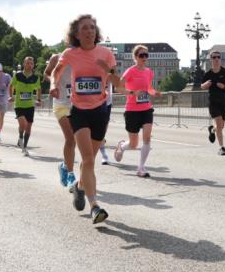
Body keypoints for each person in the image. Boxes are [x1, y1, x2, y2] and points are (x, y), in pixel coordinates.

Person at [49, 14, 117, 224]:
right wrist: (53, 85)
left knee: (90, 160)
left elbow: (118, 83)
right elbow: (55, 73)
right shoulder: (70, 54)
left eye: (92, 27)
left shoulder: (106, 54)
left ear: (96, 32)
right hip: (79, 111)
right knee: (87, 159)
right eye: (84, 28)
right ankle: (94, 206)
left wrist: (108, 71)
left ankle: (79, 187)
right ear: (77, 34)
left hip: (100, 111)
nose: (89, 31)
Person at [114, 45, 161, 177]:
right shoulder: (130, 71)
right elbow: (118, 88)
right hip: (132, 110)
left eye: (146, 55)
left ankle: (141, 168)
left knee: (147, 138)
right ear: (135, 57)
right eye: (141, 55)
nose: (144, 57)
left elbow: (149, 88)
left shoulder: (149, 72)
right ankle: (122, 146)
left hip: (146, 109)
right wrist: (132, 92)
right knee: (134, 144)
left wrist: (154, 92)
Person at [45, 50, 77, 190]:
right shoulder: (57, 57)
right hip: (61, 103)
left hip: (77, 104)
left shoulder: (84, 57)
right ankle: (70, 174)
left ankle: (64, 165)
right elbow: (46, 73)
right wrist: (54, 83)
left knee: (77, 139)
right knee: (70, 138)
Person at [200, 50, 225, 155]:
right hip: (213, 101)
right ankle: (222, 148)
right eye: (214, 57)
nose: (216, 59)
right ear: (211, 59)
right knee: (219, 124)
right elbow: (202, 86)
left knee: (221, 126)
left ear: (220, 59)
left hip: (224, 101)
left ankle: (212, 130)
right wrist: (205, 84)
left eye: (218, 57)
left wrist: (224, 86)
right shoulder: (208, 74)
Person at [12, 56, 42, 155]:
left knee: (28, 126)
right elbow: (11, 86)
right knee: (23, 124)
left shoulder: (35, 77)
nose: (29, 65)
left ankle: (24, 147)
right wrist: (11, 96)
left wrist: (38, 99)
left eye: (31, 63)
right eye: (27, 63)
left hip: (30, 105)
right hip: (19, 104)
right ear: (24, 64)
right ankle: (20, 136)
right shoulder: (17, 75)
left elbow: (39, 89)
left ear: (33, 65)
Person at [0, 63, 12, 144]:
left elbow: (12, 86)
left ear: (2, 71)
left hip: (4, 100)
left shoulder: (7, 76)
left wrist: (9, 94)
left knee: (1, 118)